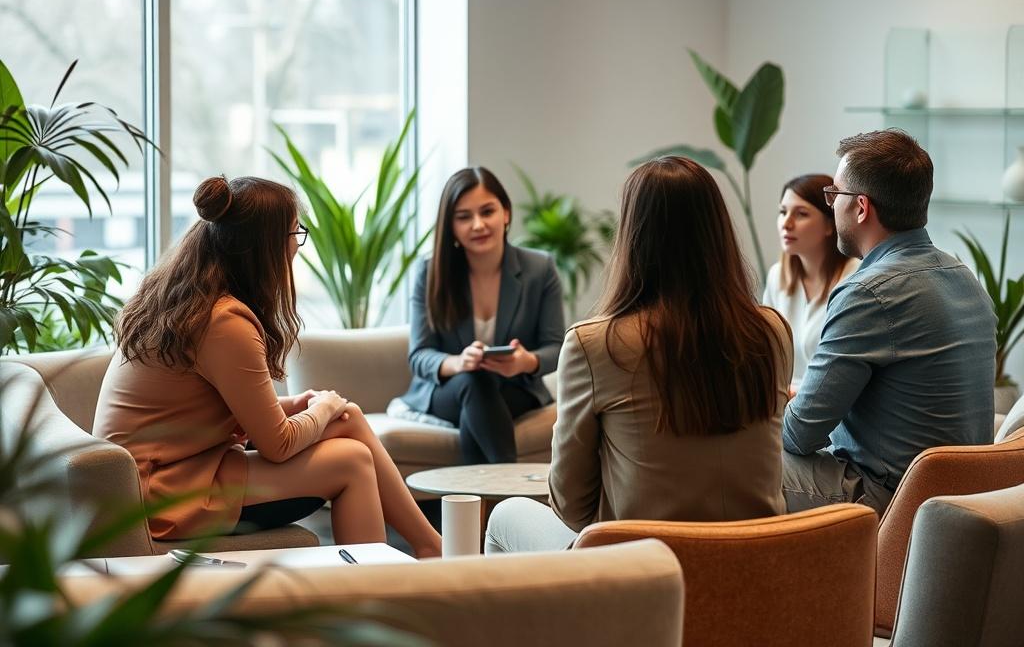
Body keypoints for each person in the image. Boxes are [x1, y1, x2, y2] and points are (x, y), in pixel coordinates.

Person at [94, 176, 441, 557]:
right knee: (352, 461)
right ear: (265, 246)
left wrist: (311, 409)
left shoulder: (191, 299)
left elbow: (203, 412)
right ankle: (373, 594)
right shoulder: (223, 322)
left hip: (177, 471)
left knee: (348, 416)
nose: (297, 244)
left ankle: (430, 547)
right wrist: (320, 408)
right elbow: (278, 444)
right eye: (295, 232)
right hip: (158, 495)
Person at [485, 156, 793, 554]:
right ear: (717, 233)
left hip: (643, 575)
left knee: (504, 516)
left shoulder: (595, 344)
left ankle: (566, 619)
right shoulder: (770, 332)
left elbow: (570, 506)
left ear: (633, 236)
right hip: (755, 566)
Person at [783, 129, 997, 515]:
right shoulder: (965, 280)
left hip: (891, 498)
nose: (831, 206)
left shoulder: (868, 293)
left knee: (737, 463)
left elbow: (800, 435)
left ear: (861, 207)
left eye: (834, 195)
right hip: (960, 497)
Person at [403, 167, 565, 465]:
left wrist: (525, 362)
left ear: (505, 213)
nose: (477, 225)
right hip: (450, 389)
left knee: (479, 401)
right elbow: (419, 355)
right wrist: (458, 362)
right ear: (450, 225)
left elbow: (557, 346)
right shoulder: (430, 273)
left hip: (515, 387)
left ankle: (472, 507)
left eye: (487, 211)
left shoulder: (540, 269)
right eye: (463, 217)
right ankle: (508, 492)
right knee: (474, 382)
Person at [763, 174, 858, 393]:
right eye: (783, 212)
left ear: (830, 224)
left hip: (829, 406)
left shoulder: (854, 278)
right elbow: (766, 355)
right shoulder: (777, 277)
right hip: (782, 402)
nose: (786, 223)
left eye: (801, 214)